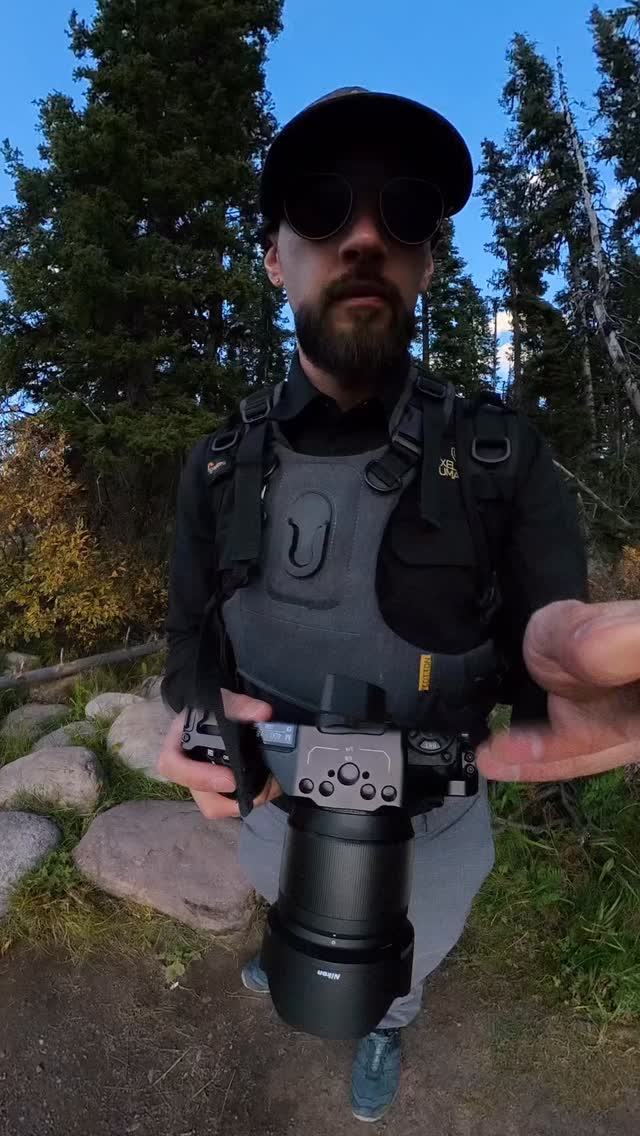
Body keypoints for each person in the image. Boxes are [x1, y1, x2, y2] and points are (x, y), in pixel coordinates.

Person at [158, 87, 595, 1123]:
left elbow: (557, 645)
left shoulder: (497, 455)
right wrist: (202, 716)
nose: (362, 236)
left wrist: (566, 683)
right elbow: (186, 642)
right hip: (270, 801)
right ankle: (286, 951)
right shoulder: (218, 466)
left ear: (428, 262)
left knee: (409, 954)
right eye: (318, 208)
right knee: (281, 899)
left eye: (402, 212)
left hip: (433, 823)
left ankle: (387, 1026)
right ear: (275, 257)